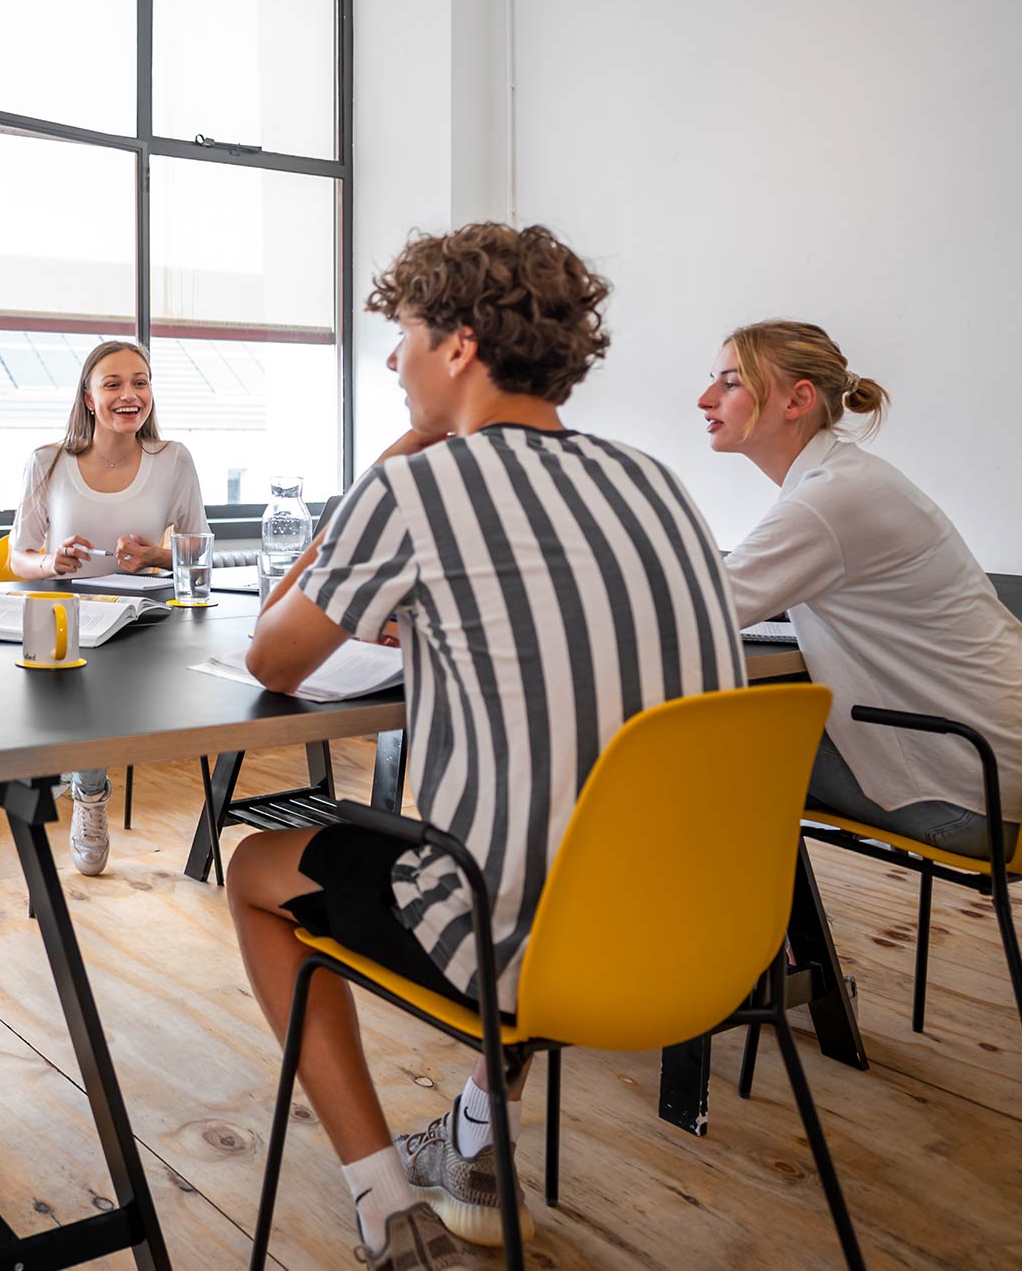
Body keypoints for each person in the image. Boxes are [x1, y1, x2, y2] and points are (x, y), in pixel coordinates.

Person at [227, 224, 743, 1266]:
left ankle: (384, 1202)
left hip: (523, 943)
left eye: (403, 333)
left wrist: (376, 477)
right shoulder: (659, 480)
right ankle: (469, 1140)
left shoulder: (416, 488)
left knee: (253, 869)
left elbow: (272, 659)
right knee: (540, 819)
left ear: (459, 343)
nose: (392, 360)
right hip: (706, 921)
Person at [698, 319, 1022, 860]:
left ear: (797, 399)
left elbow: (690, 612)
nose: (705, 399)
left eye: (730, 383)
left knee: (707, 740)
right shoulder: (853, 478)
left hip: (975, 802)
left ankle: (746, 940)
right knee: (750, 724)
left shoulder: (828, 500)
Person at [8, 338, 208, 875]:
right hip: (67, 617)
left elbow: (200, 554)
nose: (129, 394)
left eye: (140, 382)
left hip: (142, 618)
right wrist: (52, 564)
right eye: (113, 384)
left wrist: (156, 556)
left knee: (108, 679)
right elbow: (19, 558)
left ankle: (79, 777)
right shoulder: (47, 462)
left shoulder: (174, 460)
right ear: (89, 398)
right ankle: (89, 794)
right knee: (85, 675)